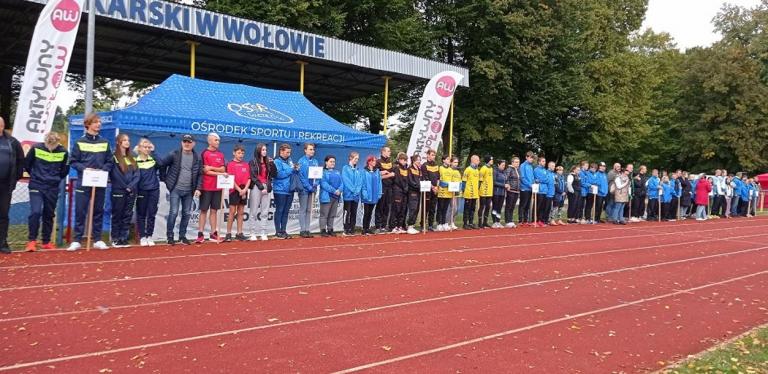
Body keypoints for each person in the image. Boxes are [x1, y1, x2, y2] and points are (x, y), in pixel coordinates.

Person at [68, 114, 112, 251]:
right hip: (84, 180)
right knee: (80, 210)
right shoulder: (79, 142)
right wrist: (84, 169)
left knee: (98, 210)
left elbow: (110, 161)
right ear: (88, 124)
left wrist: (103, 170)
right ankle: (77, 240)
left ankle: (97, 239)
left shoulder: (104, 142)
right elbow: (73, 161)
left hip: (100, 180)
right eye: (95, 122)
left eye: (99, 122)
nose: (98, 124)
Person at [25, 131, 68, 252]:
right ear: (45, 141)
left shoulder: (63, 152)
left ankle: (46, 241)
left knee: (49, 214)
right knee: (35, 212)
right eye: (48, 144)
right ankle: (31, 241)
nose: (50, 147)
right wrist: (35, 175)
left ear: (57, 142)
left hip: (52, 187)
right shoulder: (36, 148)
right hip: (36, 185)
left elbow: (65, 170)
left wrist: (55, 179)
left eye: (53, 145)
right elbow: (27, 164)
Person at [159, 134, 201, 246]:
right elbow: (162, 164)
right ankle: (170, 236)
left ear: (193, 143)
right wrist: (165, 180)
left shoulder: (197, 157)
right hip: (175, 189)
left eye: (189, 142)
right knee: (173, 212)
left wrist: (198, 188)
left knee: (187, 213)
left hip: (189, 191)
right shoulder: (174, 154)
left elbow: (200, 175)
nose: (186, 144)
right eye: (184, 141)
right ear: (181, 142)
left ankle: (182, 236)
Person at [0, 117, 26, 254]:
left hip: (5, 186)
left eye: (0, 125)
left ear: (3, 126)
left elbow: (21, 161)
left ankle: (2, 242)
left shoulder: (12, 141)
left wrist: (16, 178)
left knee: (3, 214)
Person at [109, 133, 139, 247]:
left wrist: (130, 186)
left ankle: (123, 238)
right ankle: (115, 238)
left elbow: (137, 174)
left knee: (127, 215)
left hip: (131, 191)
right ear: (118, 142)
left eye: (128, 140)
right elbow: (115, 175)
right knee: (117, 214)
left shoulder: (132, 158)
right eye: (124, 140)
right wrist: (124, 186)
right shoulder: (114, 157)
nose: (127, 142)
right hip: (118, 190)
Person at [196, 133, 226, 243]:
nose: (218, 142)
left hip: (217, 188)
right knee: (204, 210)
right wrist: (219, 173)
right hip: (206, 186)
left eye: (218, 140)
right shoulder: (204, 153)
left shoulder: (220, 154)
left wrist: (213, 168)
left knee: (214, 210)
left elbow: (223, 169)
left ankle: (213, 233)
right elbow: (205, 171)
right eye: (216, 140)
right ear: (209, 141)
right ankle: (200, 234)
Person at [134, 138, 162, 247]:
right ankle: (142, 236)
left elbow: (161, 163)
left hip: (154, 189)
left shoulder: (153, 159)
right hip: (141, 190)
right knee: (141, 214)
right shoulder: (135, 161)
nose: (146, 149)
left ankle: (149, 235)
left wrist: (154, 151)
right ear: (139, 148)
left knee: (152, 213)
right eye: (144, 147)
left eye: (148, 147)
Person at [225, 144, 250, 242]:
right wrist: (239, 190)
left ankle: (239, 233)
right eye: (239, 153)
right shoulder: (230, 164)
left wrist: (244, 190)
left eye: (242, 153)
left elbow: (249, 178)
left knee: (241, 212)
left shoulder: (246, 164)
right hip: (234, 190)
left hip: (244, 190)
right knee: (232, 212)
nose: (241, 155)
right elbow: (231, 179)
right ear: (234, 153)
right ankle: (228, 233)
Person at [248, 143, 272, 241]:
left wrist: (272, 164)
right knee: (253, 210)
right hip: (257, 187)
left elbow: (272, 175)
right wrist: (261, 187)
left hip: (267, 187)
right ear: (258, 151)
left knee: (265, 211)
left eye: (265, 149)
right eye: (263, 150)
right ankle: (252, 233)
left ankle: (263, 232)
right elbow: (253, 176)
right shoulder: (253, 162)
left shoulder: (268, 162)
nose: (265, 151)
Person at [272, 143, 296, 239]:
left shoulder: (290, 161)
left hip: (290, 189)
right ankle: (278, 231)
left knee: (286, 211)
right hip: (280, 190)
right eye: (287, 152)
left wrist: (296, 169)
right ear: (281, 151)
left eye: (289, 152)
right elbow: (279, 175)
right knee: (280, 210)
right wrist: (291, 169)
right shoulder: (276, 161)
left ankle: (283, 230)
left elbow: (291, 172)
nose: (288, 154)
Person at [297, 143, 319, 238]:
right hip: (304, 189)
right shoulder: (301, 161)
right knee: (303, 209)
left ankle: (307, 229)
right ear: (305, 150)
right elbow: (301, 176)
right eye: (310, 149)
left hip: (312, 189)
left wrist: (316, 184)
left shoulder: (315, 161)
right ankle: (302, 230)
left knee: (309, 210)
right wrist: (308, 187)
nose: (312, 151)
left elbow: (318, 175)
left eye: (313, 149)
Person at [319, 155, 342, 237]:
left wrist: (339, 190)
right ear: (326, 162)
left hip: (336, 196)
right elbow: (324, 184)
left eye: (334, 162)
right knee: (324, 214)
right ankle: (323, 230)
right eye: (331, 161)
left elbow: (342, 183)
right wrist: (334, 191)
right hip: (327, 196)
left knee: (332, 214)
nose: (333, 163)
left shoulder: (337, 172)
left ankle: (330, 229)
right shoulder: (323, 172)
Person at [374, 146, 395, 233]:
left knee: (387, 207)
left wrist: (390, 175)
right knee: (380, 206)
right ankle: (378, 226)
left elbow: (394, 174)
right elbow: (376, 175)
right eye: (388, 151)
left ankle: (384, 225)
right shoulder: (378, 162)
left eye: (390, 151)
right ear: (383, 152)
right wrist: (387, 175)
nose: (390, 153)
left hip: (389, 188)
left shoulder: (391, 162)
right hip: (381, 187)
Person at [342, 152, 363, 236]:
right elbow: (346, 180)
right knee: (347, 212)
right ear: (350, 158)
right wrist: (353, 190)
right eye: (355, 158)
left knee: (354, 212)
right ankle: (346, 228)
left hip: (356, 196)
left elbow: (360, 182)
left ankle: (352, 228)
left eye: (357, 159)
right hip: (348, 195)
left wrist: (357, 191)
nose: (356, 160)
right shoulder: (345, 168)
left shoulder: (358, 170)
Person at [360, 155, 382, 235]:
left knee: (370, 212)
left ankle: (368, 227)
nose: (375, 162)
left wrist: (379, 192)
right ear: (369, 162)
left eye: (375, 161)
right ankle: (364, 228)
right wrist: (364, 193)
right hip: (367, 195)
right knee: (366, 212)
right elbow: (363, 183)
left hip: (374, 195)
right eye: (373, 161)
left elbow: (379, 183)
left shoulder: (377, 171)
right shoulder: (364, 171)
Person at [421, 149, 440, 231]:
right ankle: (423, 225)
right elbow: (425, 178)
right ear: (427, 155)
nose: (433, 156)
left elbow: (438, 178)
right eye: (432, 155)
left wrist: (437, 187)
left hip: (435, 190)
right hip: (427, 190)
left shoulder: (436, 165)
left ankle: (430, 225)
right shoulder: (424, 165)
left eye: (434, 155)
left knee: (433, 208)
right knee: (425, 208)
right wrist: (432, 187)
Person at [390, 152, 409, 233]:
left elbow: (407, 179)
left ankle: (399, 225)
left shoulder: (405, 168)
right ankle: (393, 226)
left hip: (404, 191)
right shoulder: (396, 167)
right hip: (397, 191)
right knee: (396, 209)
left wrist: (406, 188)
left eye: (406, 160)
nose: (405, 162)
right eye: (404, 160)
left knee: (402, 209)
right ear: (400, 159)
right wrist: (404, 187)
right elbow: (398, 180)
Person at [405, 154, 423, 235]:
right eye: (418, 160)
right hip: (412, 192)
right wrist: (418, 186)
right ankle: (409, 226)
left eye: (420, 160)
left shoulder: (419, 170)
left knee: (416, 209)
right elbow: (410, 181)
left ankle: (412, 225)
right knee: (413, 208)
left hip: (418, 192)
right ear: (414, 161)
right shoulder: (410, 169)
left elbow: (421, 180)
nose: (419, 161)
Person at [436, 154, 455, 231]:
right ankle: (439, 223)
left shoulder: (451, 170)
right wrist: (444, 184)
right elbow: (439, 180)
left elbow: (452, 180)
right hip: (441, 192)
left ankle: (444, 223)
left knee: (445, 209)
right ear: (443, 160)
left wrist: (453, 185)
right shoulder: (440, 168)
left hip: (449, 192)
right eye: (447, 159)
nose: (448, 161)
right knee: (440, 208)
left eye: (449, 160)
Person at [462, 155, 481, 229]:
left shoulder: (477, 170)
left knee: (473, 209)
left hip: (475, 194)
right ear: (473, 160)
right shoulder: (468, 169)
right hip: (468, 193)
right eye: (477, 160)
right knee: (467, 209)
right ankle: (465, 223)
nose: (479, 161)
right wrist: (464, 190)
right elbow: (464, 181)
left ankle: (471, 222)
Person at [518, 151, 535, 225]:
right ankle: (520, 220)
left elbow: (532, 177)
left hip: (530, 188)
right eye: (530, 158)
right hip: (524, 188)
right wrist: (529, 184)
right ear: (526, 157)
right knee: (523, 204)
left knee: (528, 205)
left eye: (532, 158)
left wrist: (534, 182)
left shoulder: (531, 166)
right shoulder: (522, 165)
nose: (532, 159)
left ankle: (525, 220)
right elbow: (522, 177)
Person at [477, 155, 494, 228]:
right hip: (483, 191)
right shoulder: (483, 168)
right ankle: (480, 222)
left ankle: (485, 222)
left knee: (488, 207)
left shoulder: (491, 168)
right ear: (488, 160)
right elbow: (480, 180)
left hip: (489, 191)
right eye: (491, 159)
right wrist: (479, 189)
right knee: (482, 206)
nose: (492, 161)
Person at [532, 156, 550, 227]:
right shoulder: (536, 170)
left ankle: (540, 220)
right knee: (537, 206)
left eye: (545, 161)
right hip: (539, 190)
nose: (544, 163)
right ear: (539, 162)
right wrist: (544, 180)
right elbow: (540, 179)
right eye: (542, 161)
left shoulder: (545, 170)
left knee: (543, 207)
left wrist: (544, 180)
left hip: (545, 191)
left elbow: (547, 179)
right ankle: (534, 220)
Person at [504, 157, 520, 228]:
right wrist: (508, 185)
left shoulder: (518, 170)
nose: (517, 163)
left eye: (518, 162)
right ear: (512, 162)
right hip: (511, 190)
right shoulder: (509, 169)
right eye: (516, 162)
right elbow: (506, 178)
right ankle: (507, 221)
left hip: (517, 191)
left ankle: (510, 220)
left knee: (513, 206)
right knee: (509, 205)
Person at [491, 159, 507, 228]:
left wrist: (507, 185)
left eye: (504, 165)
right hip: (496, 192)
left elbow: (505, 181)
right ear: (498, 164)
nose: (504, 166)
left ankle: (498, 221)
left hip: (502, 193)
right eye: (502, 165)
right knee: (495, 207)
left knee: (500, 208)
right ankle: (494, 222)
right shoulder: (495, 171)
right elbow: (494, 182)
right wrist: (503, 185)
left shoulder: (504, 172)